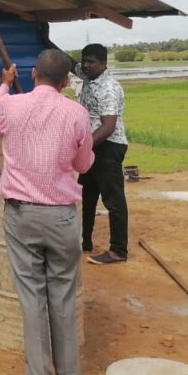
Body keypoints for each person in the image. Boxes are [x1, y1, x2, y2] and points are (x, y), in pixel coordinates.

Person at [0, 49, 97, 375]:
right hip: (62, 216)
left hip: (21, 215)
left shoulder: (11, 105)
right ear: (65, 82)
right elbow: (84, 163)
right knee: (62, 296)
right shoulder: (76, 112)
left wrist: (3, 86)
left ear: (32, 74)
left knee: (32, 300)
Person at [75, 43, 129, 265]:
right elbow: (70, 65)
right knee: (86, 195)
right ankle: (83, 241)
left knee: (113, 200)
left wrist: (83, 147)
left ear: (104, 63)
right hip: (94, 145)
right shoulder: (87, 74)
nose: (86, 65)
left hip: (108, 146)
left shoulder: (108, 88)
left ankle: (118, 251)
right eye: (84, 60)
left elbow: (108, 126)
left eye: (91, 62)